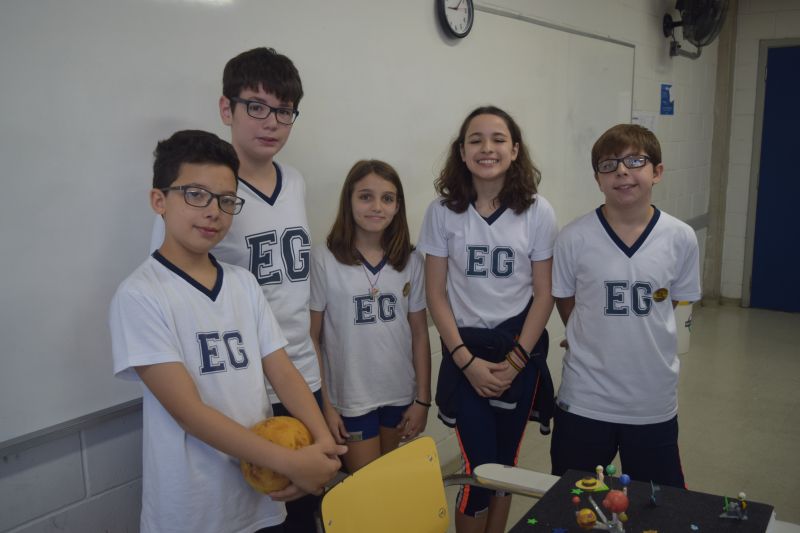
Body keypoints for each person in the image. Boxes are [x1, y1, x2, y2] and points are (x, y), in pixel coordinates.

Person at [110, 130, 346, 533]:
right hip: (194, 508)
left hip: (260, 496)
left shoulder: (243, 283)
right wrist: (292, 463)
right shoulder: (140, 295)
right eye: (195, 195)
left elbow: (282, 370)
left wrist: (322, 444)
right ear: (159, 201)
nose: (213, 211)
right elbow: (189, 413)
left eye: (225, 200)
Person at [149, 48, 321, 531]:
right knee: (252, 512)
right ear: (227, 109)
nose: (271, 122)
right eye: (256, 106)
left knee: (302, 512)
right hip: (241, 387)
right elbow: (174, 283)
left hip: (299, 374)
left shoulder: (295, 182)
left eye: (284, 111)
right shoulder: (198, 193)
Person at [418, 106, 557, 533]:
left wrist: (516, 361)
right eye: (475, 140)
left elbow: (544, 295)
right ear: (462, 152)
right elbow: (435, 294)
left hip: (518, 352)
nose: (487, 148)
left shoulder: (537, 211)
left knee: (505, 467)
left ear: (514, 150)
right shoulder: (442, 212)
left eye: (498, 139)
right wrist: (465, 361)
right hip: (467, 356)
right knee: (480, 472)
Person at [549, 123, 701, 488]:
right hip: (585, 399)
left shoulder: (680, 237)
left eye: (634, 161)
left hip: (652, 401)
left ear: (657, 171)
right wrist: (589, 332)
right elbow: (565, 298)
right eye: (609, 164)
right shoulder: (573, 237)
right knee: (573, 503)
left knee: (657, 505)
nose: (621, 171)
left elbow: (674, 304)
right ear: (598, 179)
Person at [309, 159, 431, 473]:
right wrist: (324, 405)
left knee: (387, 481)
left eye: (387, 198)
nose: (377, 207)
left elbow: (419, 333)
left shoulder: (411, 260)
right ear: (348, 201)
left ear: (397, 206)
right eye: (365, 196)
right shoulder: (324, 259)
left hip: (398, 393)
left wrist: (422, 399)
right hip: (350, 397)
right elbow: (312, 337)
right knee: (365, 485)